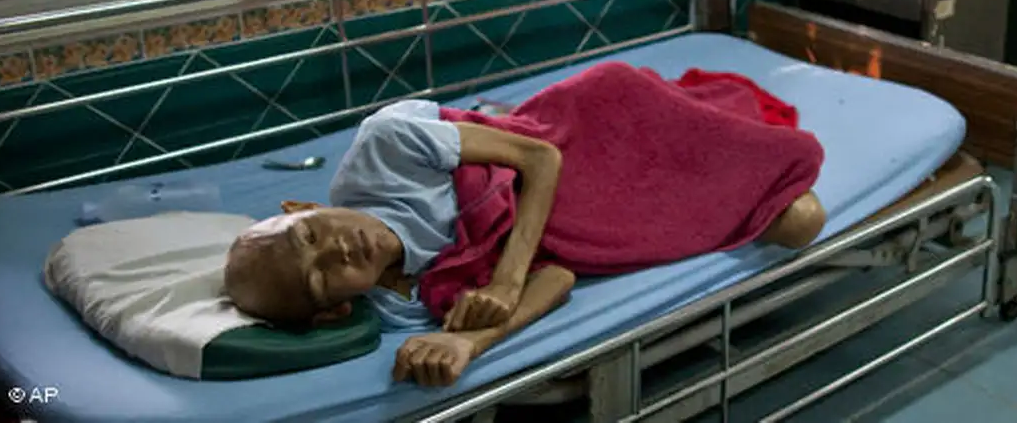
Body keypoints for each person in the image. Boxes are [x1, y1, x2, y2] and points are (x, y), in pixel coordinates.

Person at [224, 99, 827, 387]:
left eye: (310, 234)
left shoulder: (385, 148)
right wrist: (470, 342)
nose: (337, 250)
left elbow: (540, 156)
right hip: (576, 223)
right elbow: (559, 275)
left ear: (302, 207)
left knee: (785, 180)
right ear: (334, 310)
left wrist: (506, 281)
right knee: (801, 219)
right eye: (321, 276)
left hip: (579, 133)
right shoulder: (401, 305)